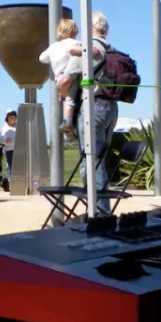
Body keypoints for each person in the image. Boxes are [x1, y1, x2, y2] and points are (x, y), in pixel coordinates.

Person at [68, 11, 119, 215]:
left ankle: (99, 212)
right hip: (111, 109)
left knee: (91, 160)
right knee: (99, 160)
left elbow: (66, 78)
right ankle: (98, 208)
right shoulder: (111, 49)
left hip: (93, 107)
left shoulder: (88, 47)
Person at [38, 18, 91, 141]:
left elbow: (41, 58)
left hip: (58, 79)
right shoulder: (75, 43)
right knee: (71, 101)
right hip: (70, 76)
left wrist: (51, 51)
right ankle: (67, 122)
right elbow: (83, 51)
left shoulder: (54, 47)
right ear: (75, 30)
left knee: (67, 98)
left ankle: (69, 125)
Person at [0, 109, 17, 184]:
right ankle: (10, 181)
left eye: (14, 118)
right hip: (9, 149)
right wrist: (5, 141)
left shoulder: (19, 127)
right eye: (11, 118)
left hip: (19, 149)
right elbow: (0, 140)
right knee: (10, 166)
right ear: (7, 118)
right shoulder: (4, 128)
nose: (13, 119)